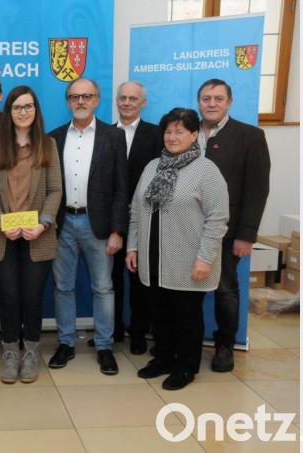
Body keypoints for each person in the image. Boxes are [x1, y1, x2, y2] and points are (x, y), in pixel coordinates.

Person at [127, 107, 229, 390]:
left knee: (186, 317)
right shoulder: (152, 167)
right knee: (159, 313)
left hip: (188, 257)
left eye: (179, 131)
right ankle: (163, 358)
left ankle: (185, 366)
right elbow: (137, 209)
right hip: (153, 256)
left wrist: (205, 258)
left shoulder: (206, 171)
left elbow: (217, 218)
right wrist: (133, 246)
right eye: (168, 131)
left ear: (194, 134)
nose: (171, 137)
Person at [0, 85, 62, 384]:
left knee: (32, 297)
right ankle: (11, 352)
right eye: (17, 107)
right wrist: (0, 221)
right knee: (9, 296)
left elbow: (55, 191)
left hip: (37, 235)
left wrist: (44, 223)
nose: (23, 112)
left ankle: (31, 352)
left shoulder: (49, 145)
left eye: (28, 107)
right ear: (9, 112)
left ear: (36, 111)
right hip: (2, 235)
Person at [47, 79, 128, 375]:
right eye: (74, 96)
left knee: (104, 288)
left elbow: (122, 188)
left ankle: (105, 346)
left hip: (100, 226)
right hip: (62, 223)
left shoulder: (113, 137)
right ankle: (66, 343)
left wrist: (118, 230)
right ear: (68, 101)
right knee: (62, 287)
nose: (80, 101)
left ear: (97, 99)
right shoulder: (53, 138)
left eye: (86, 96)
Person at [197, 79, 271, 372]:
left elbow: (257, 189)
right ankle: (187, 342)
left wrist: (246, 234)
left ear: (229, 102)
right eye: (206, 98)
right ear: (199, 102)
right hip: (187, 230)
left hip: (227, 232)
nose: (211, 103)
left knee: (225, 290)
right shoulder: (187, 133)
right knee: (187, 291)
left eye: (218, 98)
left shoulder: (249, 136)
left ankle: (224, 346)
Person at [107, 81, 163, 354]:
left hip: (145, 218)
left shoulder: (156, 134)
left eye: (133, 98)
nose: (127, 103)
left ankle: (138, 331)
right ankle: (114, 329)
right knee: (110, 278)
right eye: (122, 98)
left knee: (141, 277)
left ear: (143, 102)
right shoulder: (103, 133)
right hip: (110, 220)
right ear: (116, 101)